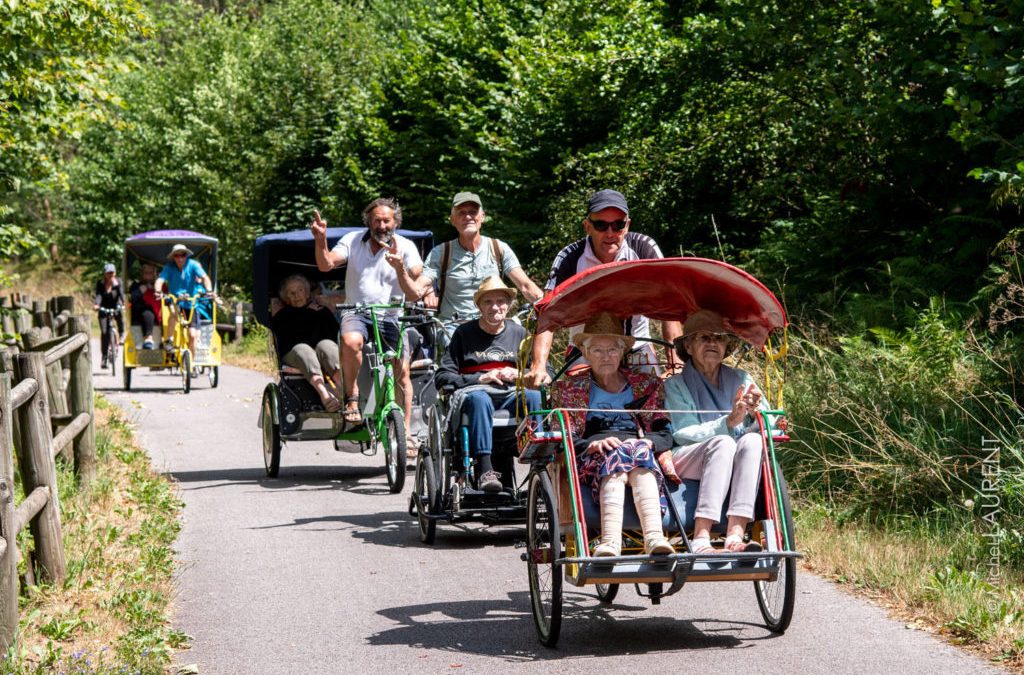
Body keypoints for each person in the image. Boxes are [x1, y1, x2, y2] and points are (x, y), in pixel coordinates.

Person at [524, 189, 682, 388]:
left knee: (656, 403)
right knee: (574, 402)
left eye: (618, 225)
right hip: (586, 349)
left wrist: (676, 364)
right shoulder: (570, 257)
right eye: (601, 225)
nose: (610, 233)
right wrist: (538, 366)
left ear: (628, 226)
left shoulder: (644, 249)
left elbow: (670, 303)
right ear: (587, 226)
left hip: (637, 346)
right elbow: (548, 314)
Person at [548, 312, 674, 556]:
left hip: (639, 452)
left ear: (622, 352)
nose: (606, 356)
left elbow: (664, 431)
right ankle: (610, 542)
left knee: (636, 456)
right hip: (592, 454)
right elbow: (562, 434)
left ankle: (654, 539)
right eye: (597, 350)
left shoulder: (646, 385)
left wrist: (649, 442)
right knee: (617, 456)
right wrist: (591, 445)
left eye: (612, 350)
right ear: (585, 354)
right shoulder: (568, 389)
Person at [663, 310, 782, 554]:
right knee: (723, 443)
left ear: (727, 346)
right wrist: (727, 422)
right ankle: (701, 537)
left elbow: (768, 421)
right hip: (687, 455)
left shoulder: (740, 378)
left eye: (718, 339)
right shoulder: (675, 385)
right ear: (688, 345)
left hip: (732, 452)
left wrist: (754, 413)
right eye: (704, 338)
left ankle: (735, 535)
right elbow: (683, 432)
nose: (712, 344)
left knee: (752, 441)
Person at [311, 198, 423, 437]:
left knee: (402, 373)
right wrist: (320, 238)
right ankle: (352, 397)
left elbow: (417, 282)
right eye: (376, 220)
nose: (382, 225)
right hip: (357, 311)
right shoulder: (352, 240)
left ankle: (405, 432)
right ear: (368, 222)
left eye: (386, 220)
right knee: (351, 341)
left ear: (395, 222)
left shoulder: (406, 246)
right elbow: (326, 264)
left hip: (392, 315)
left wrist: (400, 267)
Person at [435, 277, 541, 492]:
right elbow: (442, 376)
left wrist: (520, 373)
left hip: (511, 393)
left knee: (534, 396)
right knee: (480, 399)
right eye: (488, 302)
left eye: (501, 301)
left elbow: (541, 372)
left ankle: (539, 462)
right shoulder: (464, 334)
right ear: (479, 306)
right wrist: (479, 378)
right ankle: (485, 469)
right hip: (475, 394)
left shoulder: (519, 333)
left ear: (509, 305)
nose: (495, 307)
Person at [416, 192, 543, 335]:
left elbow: (525, 285)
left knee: (521, 347)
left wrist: (547, 306)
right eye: (462, 213)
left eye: (473, 212)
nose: (468, 216)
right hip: (453, 327)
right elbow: (420, 286)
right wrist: (401, 269)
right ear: (452, 220)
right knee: (451, 347)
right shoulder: (441, 252)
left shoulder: (498, 248)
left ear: (482, 216)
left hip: (493, 325)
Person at [271, 274, 342, 412]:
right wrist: (306, 314)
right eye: (291, 293)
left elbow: (332, 336)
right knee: (304, 349)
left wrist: (312, 313)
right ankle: (325, 395)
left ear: (308, 292)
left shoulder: (321, 311)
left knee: (326, 345)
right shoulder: (283, 316)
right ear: (286, 298)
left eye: (300, 290)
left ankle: (343, 390)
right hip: (294, 353)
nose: (297, 295)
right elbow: (290, 340)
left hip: (320, 350)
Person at [154, 244, 213, 358]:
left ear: (186, 256)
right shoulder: (169, 267)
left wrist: (209, 291)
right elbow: (160, 280)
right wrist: (158, 291)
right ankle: (169, 340)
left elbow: (205, 278)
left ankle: (191, 362)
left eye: (183, 255)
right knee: (173, 312)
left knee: (193, 335)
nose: (180, 258)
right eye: (177, 256)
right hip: (175, 301)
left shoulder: (193, 265)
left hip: (191, 303)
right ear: (173, 257)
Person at [94, 263, 124, 368]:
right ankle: (104, 357)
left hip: (115, 305)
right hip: (103, 308)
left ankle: (122, 333)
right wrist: (97, 304)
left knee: (119, 314)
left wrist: (123, 303)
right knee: (104, 332)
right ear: (105, 274)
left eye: (112, 272)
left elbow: (121, 294)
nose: (110, 275)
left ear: (115, 273)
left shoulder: (118, 282)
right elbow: (98, 295)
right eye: (108, 273)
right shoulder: (100, 283)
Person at [128, 262, 161, 349]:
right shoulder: (136, 285)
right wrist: (140, 291)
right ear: (142, 274)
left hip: (159, 318)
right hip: (139, 318)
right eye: (146, 273)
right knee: (147, 312)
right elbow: (131, 299)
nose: (148, 275)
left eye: (151, 273)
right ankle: (148, 339)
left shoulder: (159, 286)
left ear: (154, 274)